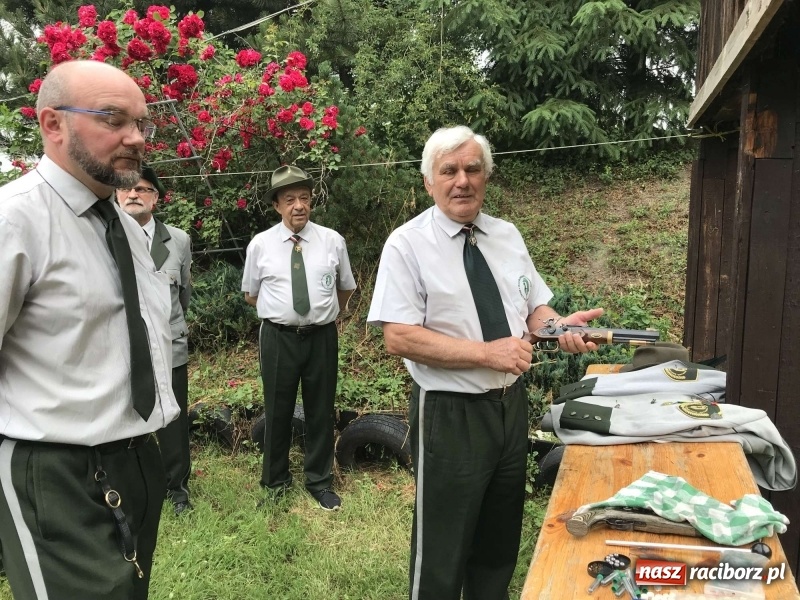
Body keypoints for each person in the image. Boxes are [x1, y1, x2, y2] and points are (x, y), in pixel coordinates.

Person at [367, 125, 603, 600]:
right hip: (449, 413)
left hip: (508, 407)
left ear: (487, 176)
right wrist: (487, 352)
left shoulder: (506, 235)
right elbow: (398, 335)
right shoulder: (407, 245)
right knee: (442, 545)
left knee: (499, 539)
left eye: (473, 169)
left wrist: (560, 327)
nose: (462, 180)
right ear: (428, 182)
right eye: (449, 171)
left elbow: (533, 307)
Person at [0, 60, 178, 600]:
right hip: (56, 469)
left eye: (143, 123)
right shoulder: (15, 220)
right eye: (113, 118)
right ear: (53, 124)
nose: (135, 137)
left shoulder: (123, 222)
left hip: (137, 458)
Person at [242, 165, 357, 511]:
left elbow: (345, 288)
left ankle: (320, 482)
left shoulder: (332, 241)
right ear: (277, 205)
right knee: (278, 410)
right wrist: (286, 315)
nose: (298, 206)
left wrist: (322, 316)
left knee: (321, 408)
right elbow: (251, 294)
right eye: (290, 199)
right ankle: (275, 482)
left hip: (322, 337)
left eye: (304, 198)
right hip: (278, 339)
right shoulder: (260, 245)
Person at [116, 166, 193, 516]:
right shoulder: (107, 234)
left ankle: (177, 489)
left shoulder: (177, 240)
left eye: (143, 189)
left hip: (170, 346)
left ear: (156, 198)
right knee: (124, 417)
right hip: (121, 347)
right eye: (127, 189)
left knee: (173, 421)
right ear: (116, 195)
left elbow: (184, 294)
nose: (133, 194)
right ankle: (130, 485)